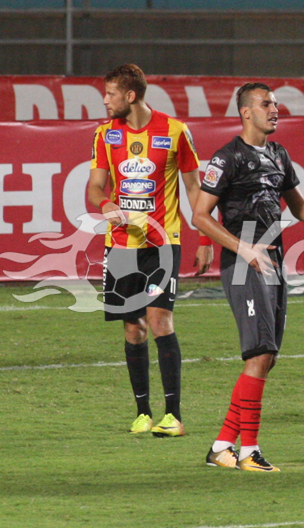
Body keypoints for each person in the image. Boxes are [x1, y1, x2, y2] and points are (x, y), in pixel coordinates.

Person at [192, 83, 304, 472]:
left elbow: (301, 209)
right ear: (246, 112)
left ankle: (222, 446)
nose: (275, 108)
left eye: (275, 102)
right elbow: (199, 215)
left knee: (267, 357)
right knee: (260, 353)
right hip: (244, 263)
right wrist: (242, 248)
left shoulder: (279, 154)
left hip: (273, 260)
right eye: (266, 103)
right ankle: (249, 450)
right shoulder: (227, 157)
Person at [88, 63, 214, 437]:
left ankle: (173, 415)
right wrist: (106, 204)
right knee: (133, 329)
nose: (105, 100)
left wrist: (205, 238)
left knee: (160, 321)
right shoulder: (104, 135)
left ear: (130, 96)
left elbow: (195, 190)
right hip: (121, 245)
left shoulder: (175, 132)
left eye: (110, 93)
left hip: (163, 245)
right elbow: (96, 186)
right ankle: (143, 412)